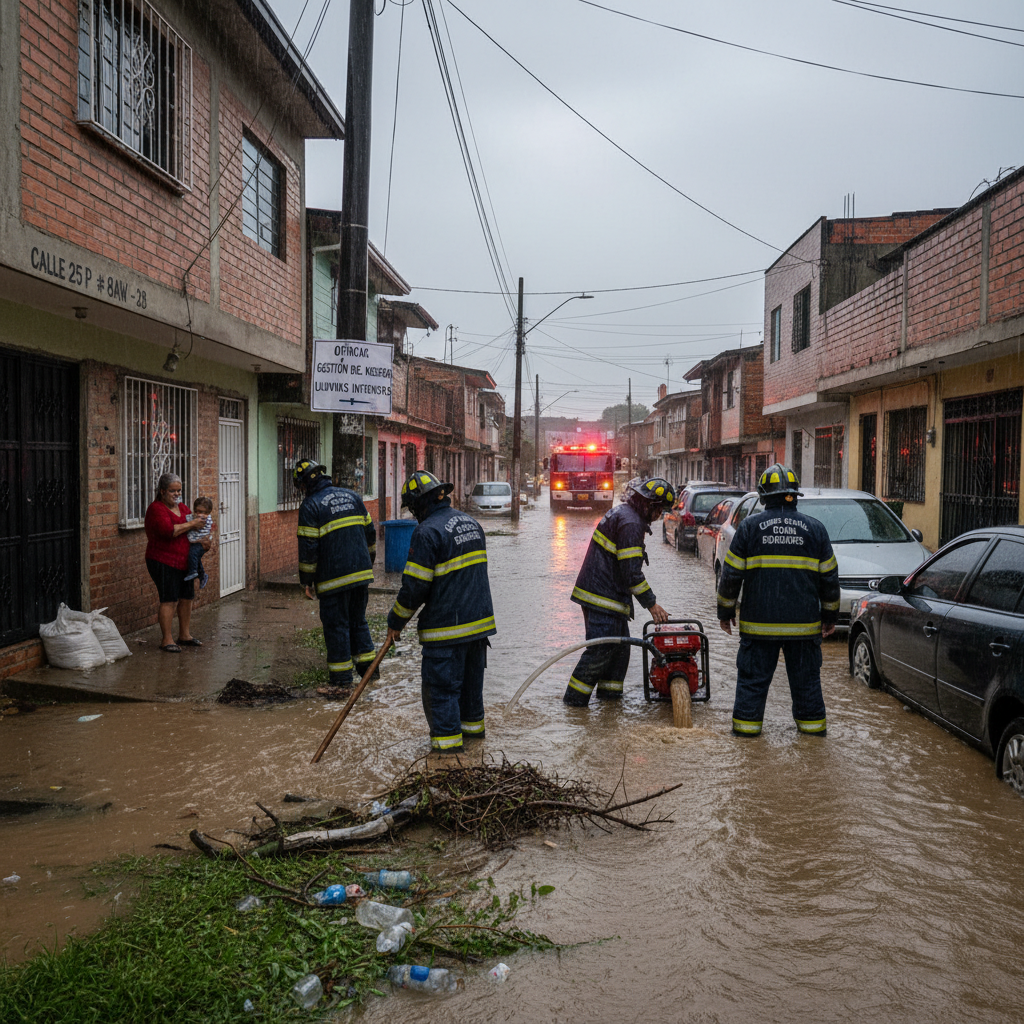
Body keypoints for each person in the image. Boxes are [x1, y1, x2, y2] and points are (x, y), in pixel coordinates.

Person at [716, 463, 841, 738]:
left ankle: (746, 741)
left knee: (751, 684)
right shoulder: (816, 530)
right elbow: (830, 580)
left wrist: (724, 612)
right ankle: (812, 742)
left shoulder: (749, 528)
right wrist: (830, 618)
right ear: (795, 495)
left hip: (759, 628)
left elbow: (730, 575)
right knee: (807, 686)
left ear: (763, 496)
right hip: (804, 629)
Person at [385, 470, 496, 753]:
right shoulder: (472, 523)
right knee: (471, 700)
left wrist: (395, 621)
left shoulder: (427, 532)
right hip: (479, 629)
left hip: (446, 633)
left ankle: (447, 765)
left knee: (442, 695)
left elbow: (414, 588)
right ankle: (475, 760)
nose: (413, 514)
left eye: (412, 508)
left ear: (419, 504)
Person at [563, 477, 674, 706]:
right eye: (660, 509)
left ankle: (609, 706)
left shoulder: (625, 514)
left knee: (619, 654)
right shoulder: (631, 524)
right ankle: (573, 704)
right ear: (651, 505)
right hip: (603, 599)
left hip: (606, 597)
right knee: (600, 651)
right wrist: (652, 605)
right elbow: (631, 574)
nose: (660, 516)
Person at [295, 459, 378, 688]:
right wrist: (367, 563)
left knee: (336, 626)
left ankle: (341, 683)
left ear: (304, 484)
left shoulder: (310, 506)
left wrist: (306, 581)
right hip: (361, 575)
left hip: (333, 580)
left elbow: (308, 548)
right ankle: (370, 676)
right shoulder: (353, 497)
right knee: (359, 622)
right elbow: (370, 533)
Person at [144, 473, 212, 653]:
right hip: (163, 561)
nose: (176, 494)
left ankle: (185, 635)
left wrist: (202, 542)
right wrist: (192, 525)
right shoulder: (156, 509)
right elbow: (169, 531)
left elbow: (192, 532)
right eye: (172, 491)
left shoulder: (182, 507)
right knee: (169, 599)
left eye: (179, 490)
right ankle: (166, 639)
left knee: (187, 597)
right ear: (162, 491)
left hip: (183, 562)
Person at [183, 496, 214, 589]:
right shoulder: (196, 518)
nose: (201, 515)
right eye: (198, 511)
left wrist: (191, 524)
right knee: (195, 558)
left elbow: (196, 525)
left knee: (192, 554)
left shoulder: (205, 520)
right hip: (196, 542)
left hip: (200, 543)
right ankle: (202, 575)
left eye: (204, 513)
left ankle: (193, 571)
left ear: (209, 513)